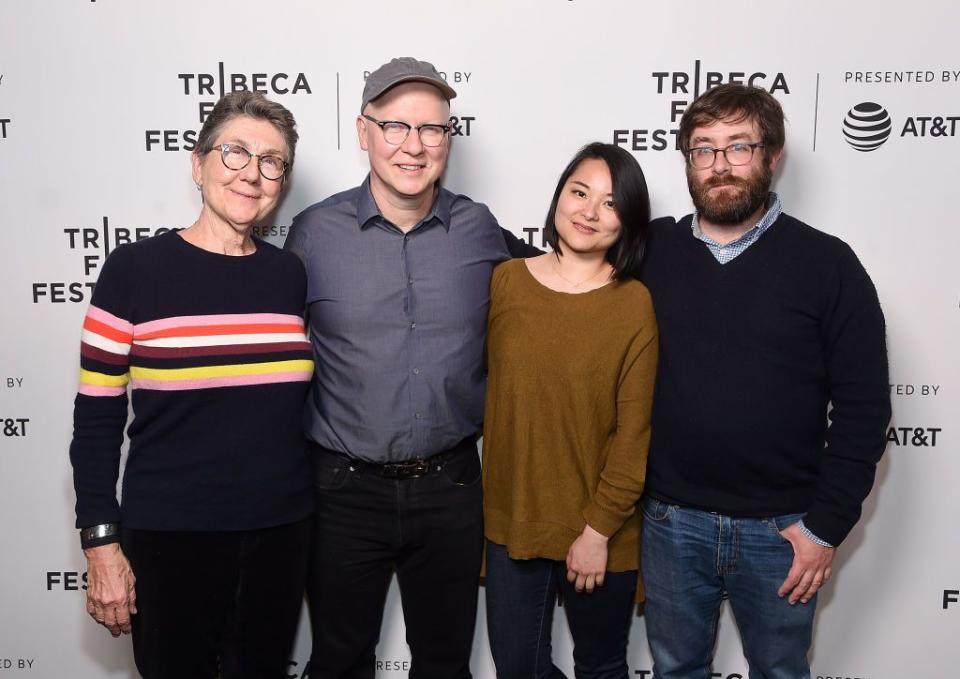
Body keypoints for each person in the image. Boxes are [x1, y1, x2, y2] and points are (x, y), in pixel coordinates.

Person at [284, 57, 532, 679]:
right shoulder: (314, 234)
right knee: (339, 661)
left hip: (450, 487)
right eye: (395, 126)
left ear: (448, 138)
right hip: (341, 489)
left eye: (431, 129)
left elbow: (566, 283)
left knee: (446, 664)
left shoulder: (481, 230)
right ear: (363, 131)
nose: (414, 146)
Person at [638, 83, 891, 679]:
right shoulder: (651, 252)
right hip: (672, 524)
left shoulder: (829, 265)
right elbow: (571, 269)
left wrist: (825, 527)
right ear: (687, 162)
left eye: (738, 146)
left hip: (782, 532)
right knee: (673, 669)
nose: (720, 164)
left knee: (780, 671)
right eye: (704, 149)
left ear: (771, 156)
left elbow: (863, 410)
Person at [70, 91, 314, 679]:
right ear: (197, 163)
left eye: (271, 161)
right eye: (234, 153)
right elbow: (97, 420)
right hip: (170, 540)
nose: (251, 174)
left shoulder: (289, 274)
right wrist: (101, 543)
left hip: (281, 536)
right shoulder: (133, 271)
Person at [482, 142, 658, 679]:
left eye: (609, 203)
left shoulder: (634, 303)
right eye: (579, 192)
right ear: (559, 196)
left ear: (627, 222)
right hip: (515, 520)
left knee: (601, 668)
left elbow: (634, 432)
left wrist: (598, 531)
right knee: (518, 667)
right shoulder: (506, 281)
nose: (588, 211)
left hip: (600, 528)